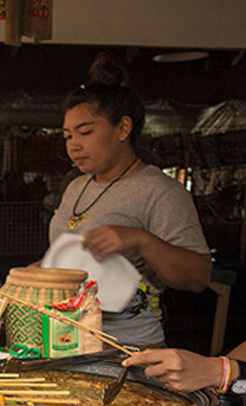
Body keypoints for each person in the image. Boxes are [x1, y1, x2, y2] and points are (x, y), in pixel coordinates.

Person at [46, 53, 211, 347]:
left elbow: (198, 276)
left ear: (123, 129)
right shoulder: (75, 186)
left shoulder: (159, 191)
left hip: (129, 348)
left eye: (85, 132)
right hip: (65, 342)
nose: (74, 145)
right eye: (68, 136)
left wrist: (141, 240)